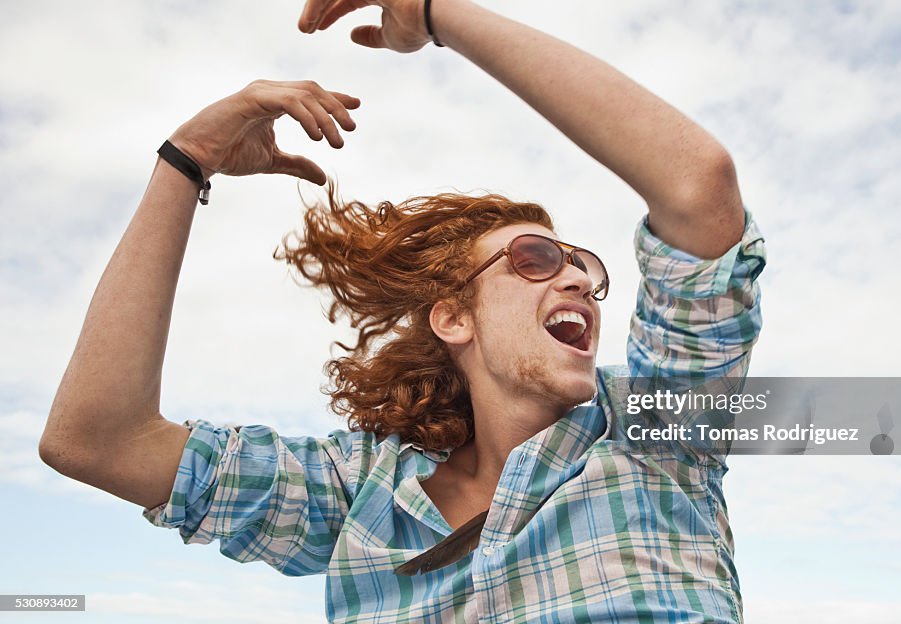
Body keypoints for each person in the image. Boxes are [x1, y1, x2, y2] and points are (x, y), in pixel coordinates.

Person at [40, 0, 766, 621]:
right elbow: (97, 441)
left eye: (582, 264)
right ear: (454, 319)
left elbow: (698, 185)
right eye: (537, 260)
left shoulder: (655, 439)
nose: (576, 276)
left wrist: (429, 12)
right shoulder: (361, 495)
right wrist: (186, 160)